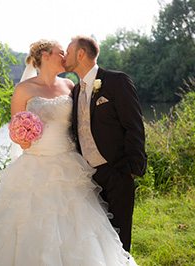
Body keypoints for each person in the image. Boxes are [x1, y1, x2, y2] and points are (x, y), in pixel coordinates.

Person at [0, 39, 137, 265]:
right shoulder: (24, 89)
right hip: (34, 164)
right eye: (59, 53)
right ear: (46, 56)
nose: (64, 57)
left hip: (69, 165)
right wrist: (24, 135)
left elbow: (84, 121)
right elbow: (15, 131)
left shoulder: (70, 86)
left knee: (79, 225)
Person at [63, 35, 147, 252]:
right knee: (97, 240)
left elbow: (134, 126)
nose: (64, 56)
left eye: (68, 51)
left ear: (81, 54)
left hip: (118, 172)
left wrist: (130, 170)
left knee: (120, 240)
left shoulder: (116, 81)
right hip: (87, 178)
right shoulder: (75, 90)